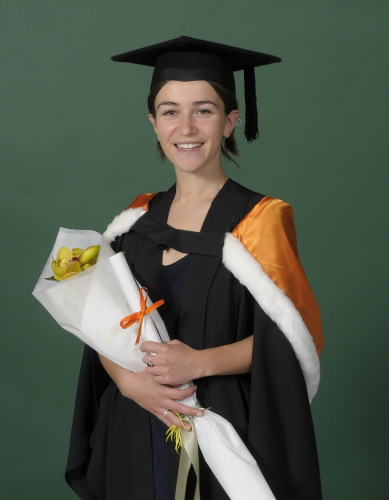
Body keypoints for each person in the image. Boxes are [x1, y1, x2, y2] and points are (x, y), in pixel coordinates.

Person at [65, 36, 324, 500]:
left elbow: (291, 339)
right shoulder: (135, 220)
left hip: (220, 426)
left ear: (230, 121)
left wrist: (199, 362)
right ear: (153, 122)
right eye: (170, 111)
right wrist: (128, 383)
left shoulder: (260, 221)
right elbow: (100, 324)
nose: (185, 127)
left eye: (204, 110)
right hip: (134, 423)